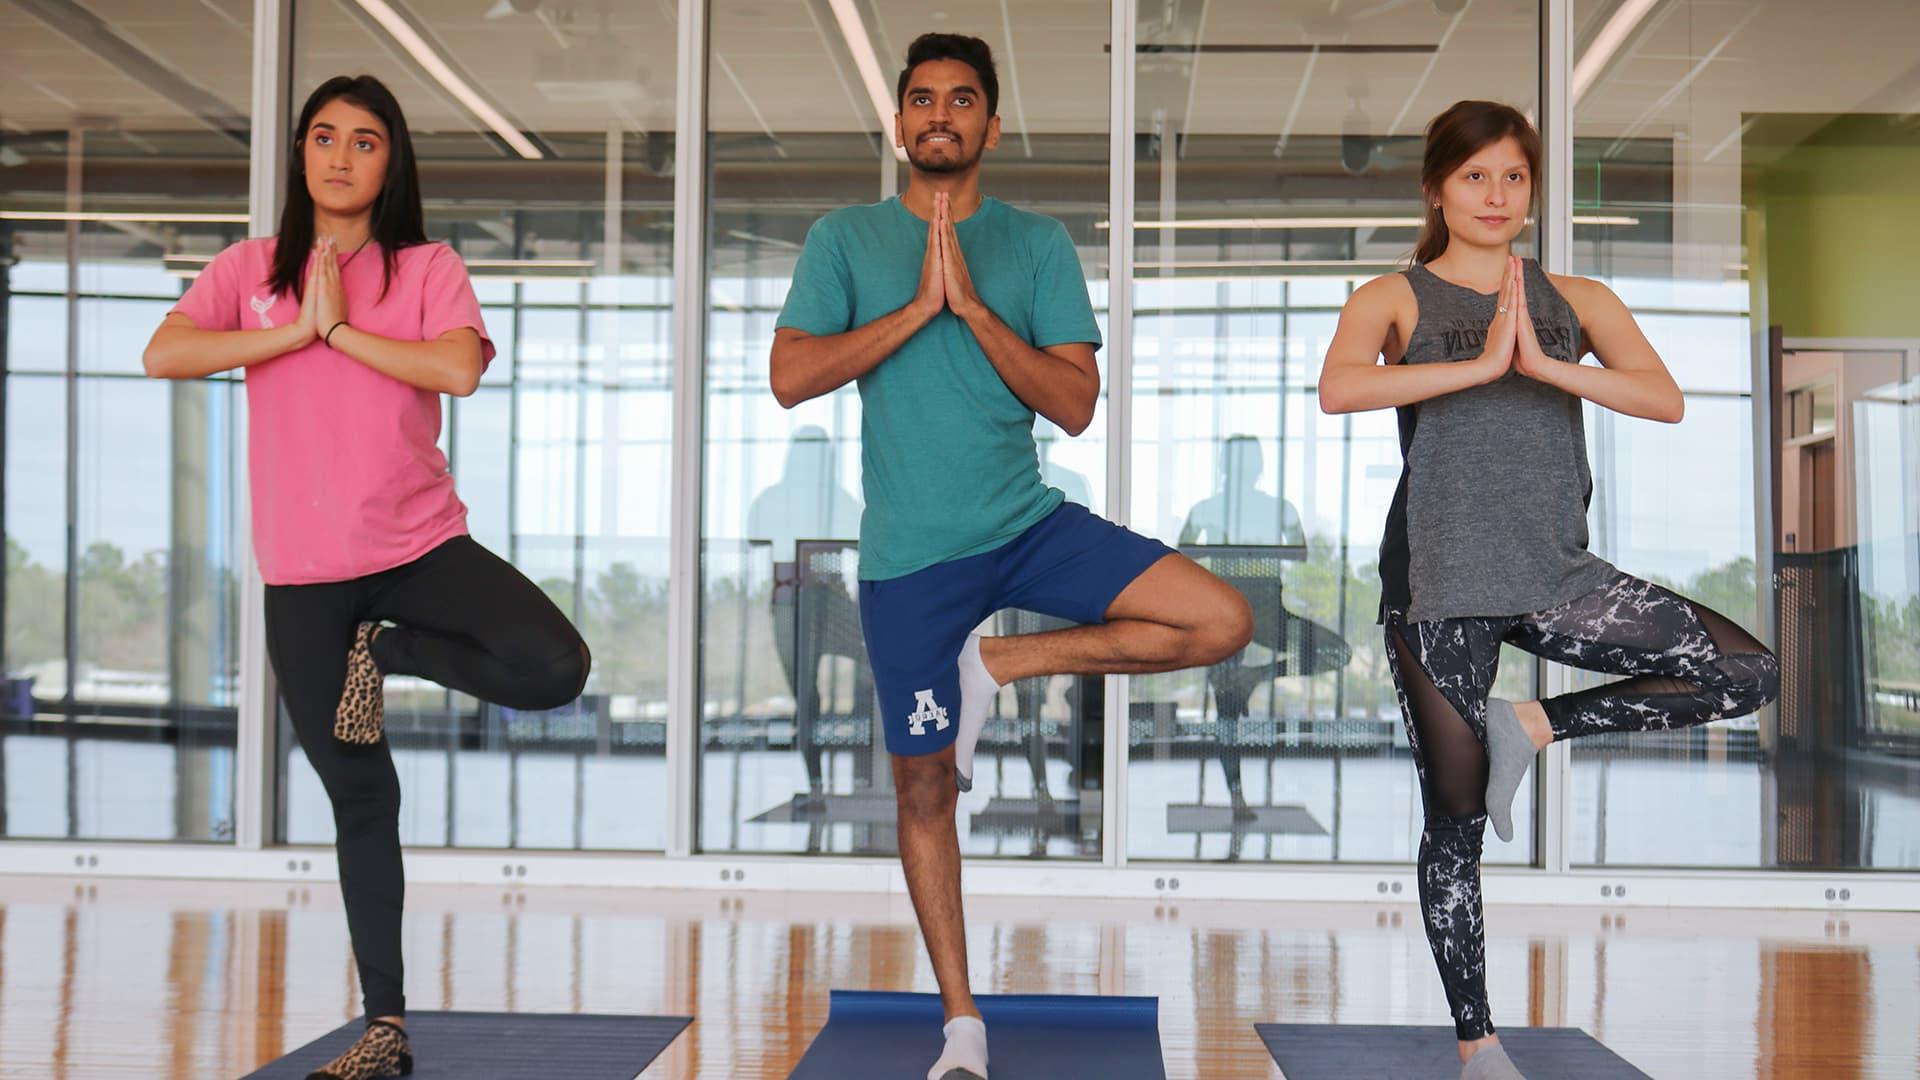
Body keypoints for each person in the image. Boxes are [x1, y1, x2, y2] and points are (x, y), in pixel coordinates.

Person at [769, 33, 1251, 1080]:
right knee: (924, 792)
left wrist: (974, 308)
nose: (941, 115)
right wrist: (914, 310)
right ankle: (962, 1025)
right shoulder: (844, 238)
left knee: (1221, 619)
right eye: (923, 100)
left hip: (1030, 525)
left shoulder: (1035, 246)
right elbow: (790, 377)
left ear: (990, 123)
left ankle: (998, 667)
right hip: (909, 564)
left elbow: (1073, 405)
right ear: (900, 122)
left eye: (964, 100)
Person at [1318, 99, 1779, 1080]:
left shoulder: (1579, 299)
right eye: (1475, 176)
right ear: (1437, 188)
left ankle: (1532, 724)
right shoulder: (1392, 296)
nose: (1495, 195)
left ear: (1531, 191)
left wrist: (1542, 363)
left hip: (1555, 573)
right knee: (1455, 814)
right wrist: (1482, 362)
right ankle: (1478, 1041)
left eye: (1513, 177)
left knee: (1743, 673)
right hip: (1438, 581)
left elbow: (1662, 396)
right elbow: (1342, 386)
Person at [143, 75, 590, 1080]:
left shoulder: (426, 266)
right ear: (300, 153)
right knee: (361, 799)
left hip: (420, 549)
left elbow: (458, 372)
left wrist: (342, 332)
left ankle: (388, 654)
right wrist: (294, 329)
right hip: (304, 580)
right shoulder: (252, 269)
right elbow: (164, 351)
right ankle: (384, 1026)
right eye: (324, 137)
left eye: (367, 141)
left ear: (393, 162)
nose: (342, 157)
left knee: (556, 665)